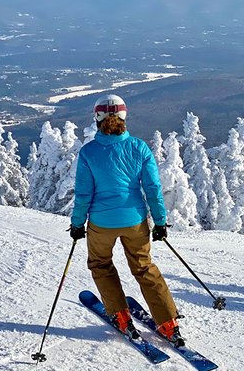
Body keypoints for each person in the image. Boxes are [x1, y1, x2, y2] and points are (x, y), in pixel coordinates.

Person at [69, 94, 184, 346]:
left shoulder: (89, 152)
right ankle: (168, 322)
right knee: (144, 267)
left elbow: (84, 193)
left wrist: (78, 224)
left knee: (101, 265)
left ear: (96, 117)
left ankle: (121, 316)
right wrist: (161, 222)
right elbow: (152, 188)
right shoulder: (139, 148)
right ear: (124, 116)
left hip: (101, 223)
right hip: (135, 221)